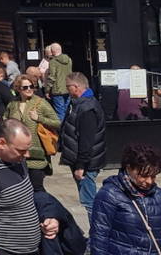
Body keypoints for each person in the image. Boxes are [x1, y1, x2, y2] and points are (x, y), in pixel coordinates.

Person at [0, 119, 57, 255]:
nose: (27, 155)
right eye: (21, 150)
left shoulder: (16, 159)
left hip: (32, 249)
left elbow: (26, 199)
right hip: (6, 250)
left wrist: (47, 219)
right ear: (2, 143)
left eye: (27, 149)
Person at [90, 143, 161, 255]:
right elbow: (99, 237)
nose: (149, 181)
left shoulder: (159, 195)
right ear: (129, 168)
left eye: (153, 176)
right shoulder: (109, 194)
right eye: (144, 176)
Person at [59, 71, 106, 215]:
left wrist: (81, 166)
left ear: (76, 87)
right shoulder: (77, 104)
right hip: (82, 160)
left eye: (68, 86)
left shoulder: (87, 108)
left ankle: (98, 229)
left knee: (89, 202)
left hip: (87, 163)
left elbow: (87, 140)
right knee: (88, 200)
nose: (67, 90)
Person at [4, 74, 60, 191]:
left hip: (36, 156)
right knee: (20, 190)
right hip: (17, 155)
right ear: (18, 89)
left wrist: (39, 118)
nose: (29, 89)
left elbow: (57, 123)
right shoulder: (13, 104)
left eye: (31, 86)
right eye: (25, 87)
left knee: (37, 188)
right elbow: (5, 121)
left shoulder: (41, 103)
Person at [45, 44, 73, 121]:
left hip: (57, 90)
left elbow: (52, 77)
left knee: (60, 113)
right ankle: (67, 127)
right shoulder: (69, 60)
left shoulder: (53, 62)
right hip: (68, 88)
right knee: (67, 111)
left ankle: (61, 128)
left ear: (52, 51)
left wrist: (47, 90)